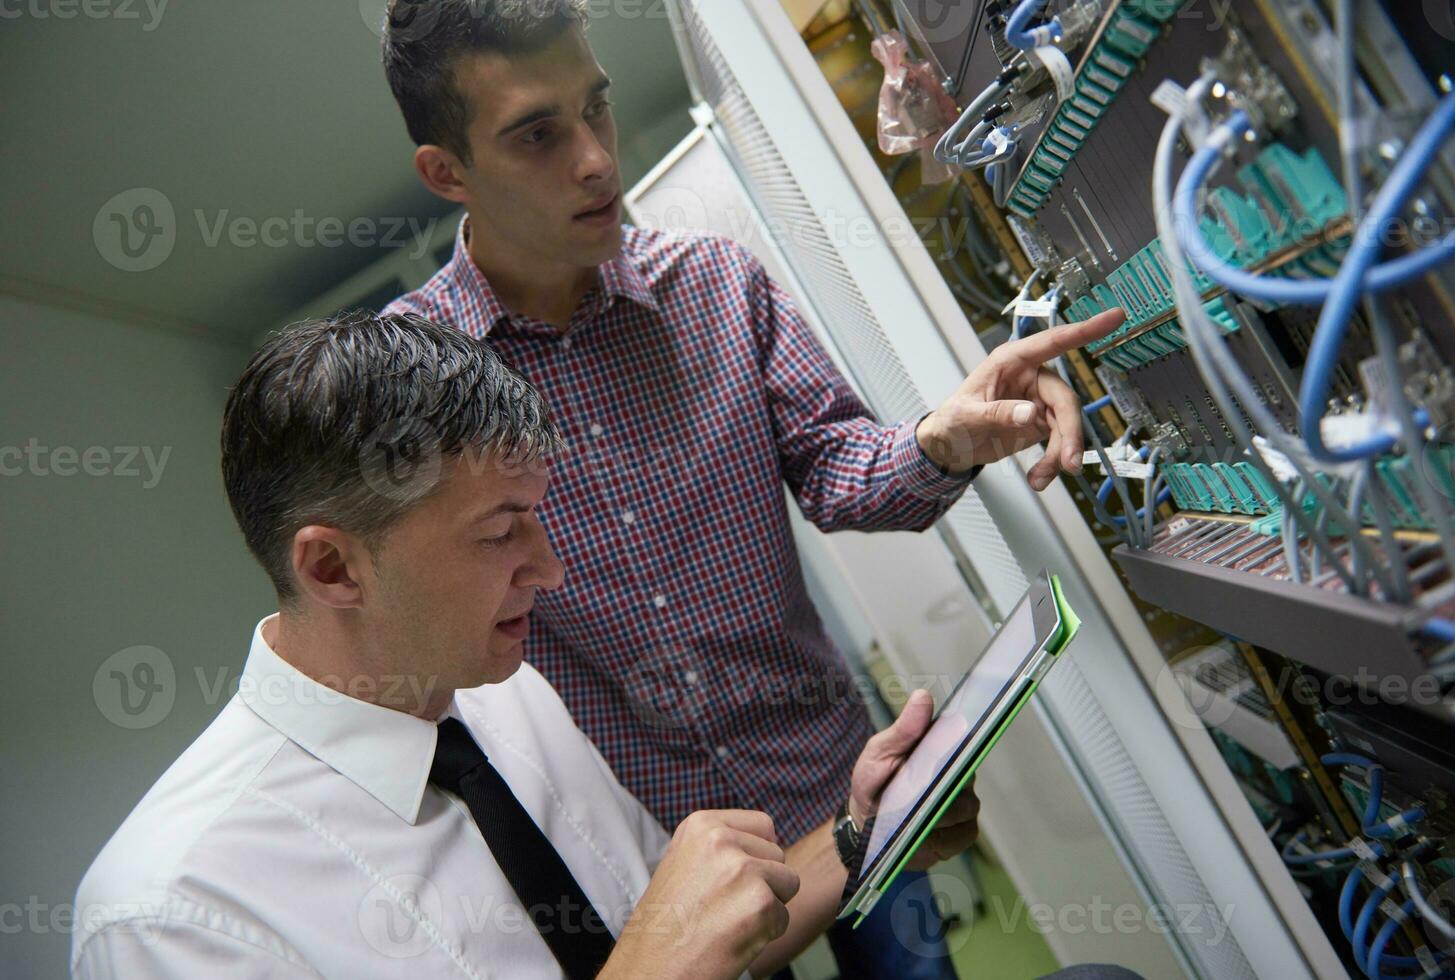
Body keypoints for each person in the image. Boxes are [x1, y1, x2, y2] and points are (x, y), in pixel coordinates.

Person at [379, 1, 1125, 974]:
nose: (596, 158)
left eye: (595, 110)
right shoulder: (409, 383)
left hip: (833, 790)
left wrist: (943, 437)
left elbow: (835, 470)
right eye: (536, 134)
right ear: (447, 172)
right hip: (649, 865)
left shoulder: (719, 287)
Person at [70, 312, 982, 979]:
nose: (547, 571)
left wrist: (869, 834)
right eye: (501, 532)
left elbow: (698, 940)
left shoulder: (504, 692)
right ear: (334, 568)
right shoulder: (175, 914)